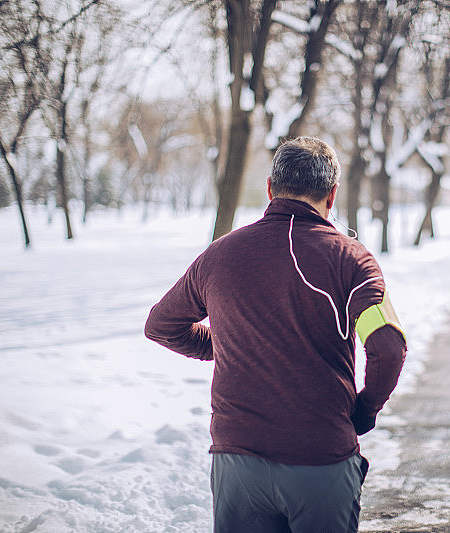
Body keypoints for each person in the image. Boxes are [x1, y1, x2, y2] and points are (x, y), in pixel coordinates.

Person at [145, 136, 407, 532]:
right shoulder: (352, 260)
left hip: (236, 461)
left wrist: (232, 342)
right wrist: (366, 409)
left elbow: (162, 325)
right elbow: (387, 347)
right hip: (319, 462)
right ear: (332, 194)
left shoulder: (219, 255)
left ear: (270, 188)